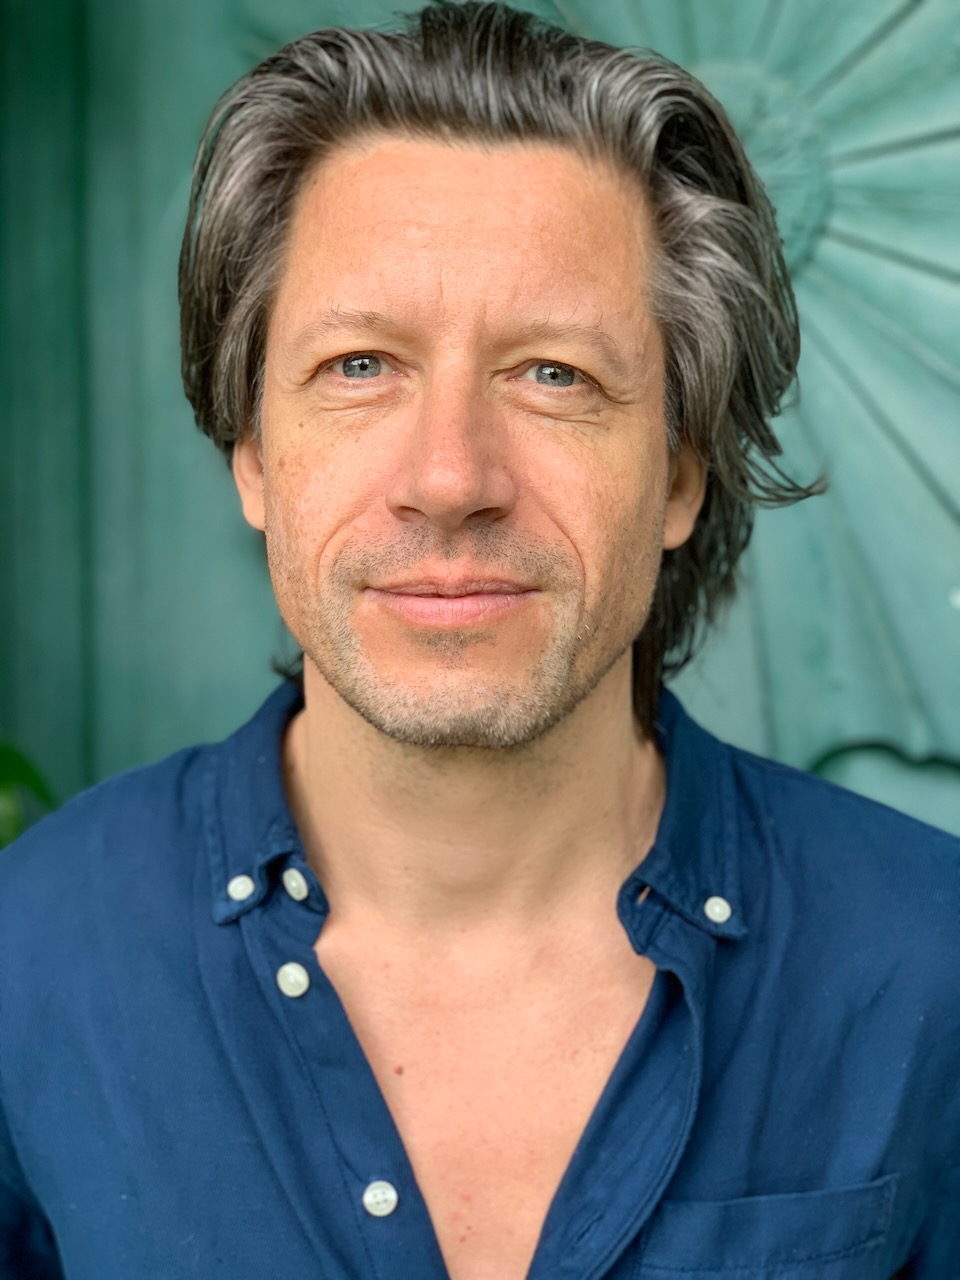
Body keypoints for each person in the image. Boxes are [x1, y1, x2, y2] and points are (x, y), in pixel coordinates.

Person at [1, 3, 957, 1276]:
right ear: (254, 454)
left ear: (680, 473)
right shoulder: (29, 957)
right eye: (359, 365)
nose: (450, 477)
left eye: (555, 374)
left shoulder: (931, 964)